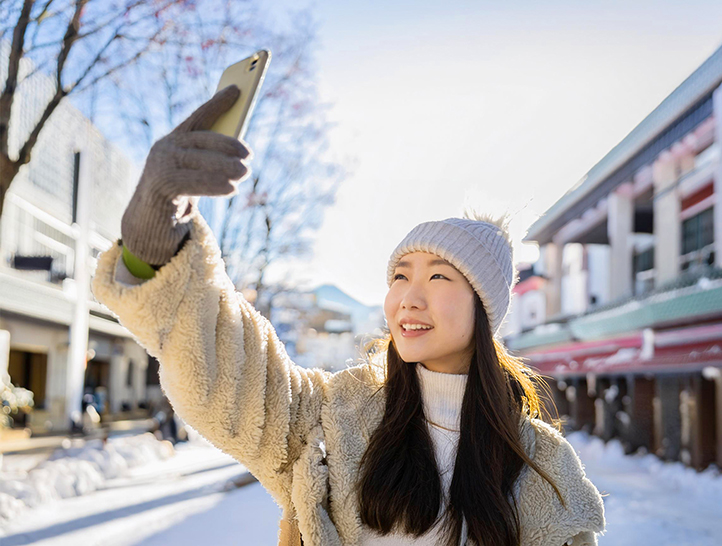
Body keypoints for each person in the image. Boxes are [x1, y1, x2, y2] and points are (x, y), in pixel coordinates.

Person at [91, 86, 605, 546]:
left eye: (440, 277)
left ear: (485, 309)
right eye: (400, 276)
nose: (409, 297)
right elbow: (224, 369)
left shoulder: (546, 471)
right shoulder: (332, 417)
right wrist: (156, 235)